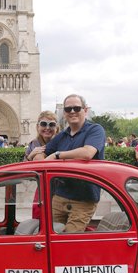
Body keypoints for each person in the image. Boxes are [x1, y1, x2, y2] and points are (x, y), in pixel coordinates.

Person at [38, 94, 106, 233]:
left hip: (84, 198)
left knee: (69, 240)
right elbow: (43, 155)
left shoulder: (95, 130)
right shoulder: (61, 136)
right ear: (64, 113)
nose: (72, 111)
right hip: (59, 196)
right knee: (48, 236)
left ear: (85, 110)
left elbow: (87, 153)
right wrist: (35, 154)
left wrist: (57, 155)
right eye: (68, 109)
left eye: (77, 108)